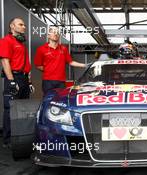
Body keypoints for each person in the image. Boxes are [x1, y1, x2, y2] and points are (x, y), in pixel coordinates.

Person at [0, 17, 34, 148]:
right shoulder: (6, 41)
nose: (24, 27)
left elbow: (26, 64)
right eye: (21, 24)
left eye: (24, 25)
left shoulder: (21, 43)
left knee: (22, 109)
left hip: (24, 79)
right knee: (10, 109)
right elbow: (4, 61)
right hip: (14, 78)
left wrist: (29, 82)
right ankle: (8, 140)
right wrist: (12, 82)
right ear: (12, 26)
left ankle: (20, 137)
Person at [34, 27, 86, 95]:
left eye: (58, 33)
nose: (56, 34)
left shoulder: (63, 49)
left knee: (60, 100)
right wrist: (49, 70)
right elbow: (38, 65)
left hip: (61, 81)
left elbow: (71, 62)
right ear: (48, 35)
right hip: (48, 81)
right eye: (54, 32)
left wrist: (85, 65)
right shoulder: (41, 49)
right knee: (48, 100)